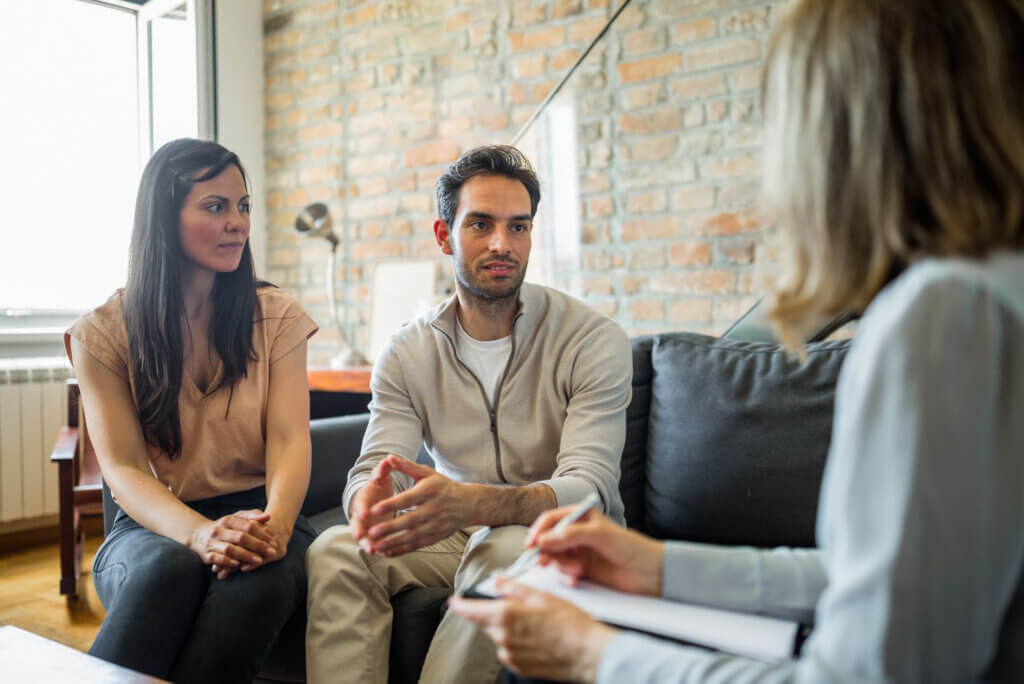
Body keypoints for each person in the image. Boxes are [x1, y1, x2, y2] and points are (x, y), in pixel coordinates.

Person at [450, 0, 1024, 681]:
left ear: (835, 135)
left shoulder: (942, 318)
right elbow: (891, 575)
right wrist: (660, 565)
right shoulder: (993, 291)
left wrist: (593, 654)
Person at [304, 144, 633, 684]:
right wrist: (367, 503)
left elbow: (590, 488)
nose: (503, 244)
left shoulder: (591, 341)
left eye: (518, 227)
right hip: (459, 531)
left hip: (558, 537)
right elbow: (372, 467)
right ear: (444, 236)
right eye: (481, 224)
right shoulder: (408, 352)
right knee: (340, 547)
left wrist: (473, 503)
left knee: (500, 545)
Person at [67, 138, 318, 683]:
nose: (238, 222)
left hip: (259, 511)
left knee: (263, 578)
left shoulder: (276, 316)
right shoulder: (102, 333)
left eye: (243, 206)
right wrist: (200, 535)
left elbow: (289, 440)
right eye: (215, 206)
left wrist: (274, 526)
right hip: (151, 525)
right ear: (163, 216)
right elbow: (125, 469)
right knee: (169, 572)